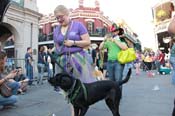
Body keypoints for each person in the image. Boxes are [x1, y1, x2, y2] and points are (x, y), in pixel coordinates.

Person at [52, 5, 96, 115]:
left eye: (61, 16)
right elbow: (56, 44)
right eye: (57, 18)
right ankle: (74, 112)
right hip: (63, 61)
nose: (59, 20)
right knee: (67, 89)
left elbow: (87, 42)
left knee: (79, 88)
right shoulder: (56, 29)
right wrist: (55, 51)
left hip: (78, 60)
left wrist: (73, 43)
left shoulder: (78, 25)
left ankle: (77, 112)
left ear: (67, 14)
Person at [99, 24, 128, 91]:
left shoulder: (121, 39)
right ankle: (113, 94)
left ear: (118, 31)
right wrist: (104, 40)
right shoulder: (109, 41)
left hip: (118, 62)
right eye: (113, 31)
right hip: (109, 62)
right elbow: (100, 48)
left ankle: (118, 95)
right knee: (111, 80)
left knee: (118, 79)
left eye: (115, 31)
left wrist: (115, 41)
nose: (114, 32)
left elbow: (124, 48)